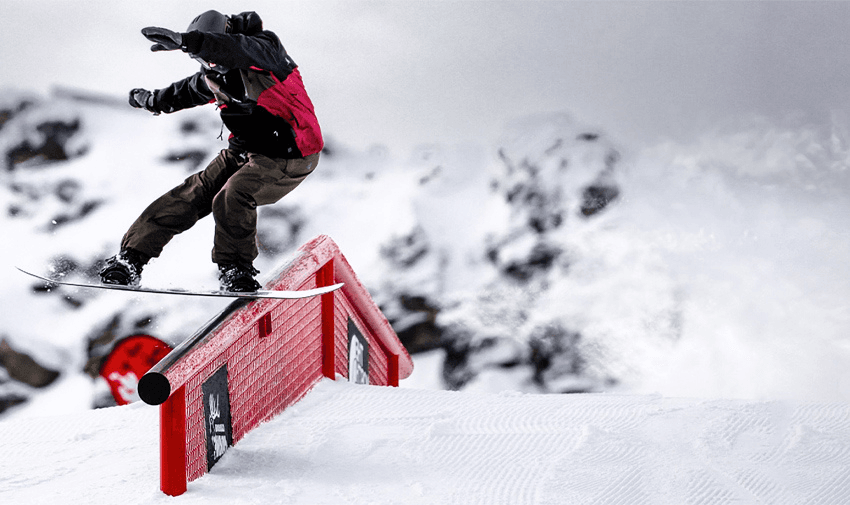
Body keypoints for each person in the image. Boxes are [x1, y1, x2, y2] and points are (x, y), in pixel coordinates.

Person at [100, 10, 322, 292]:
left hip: (289, 156)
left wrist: (186, 41)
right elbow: (185, 91)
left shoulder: (266, 52)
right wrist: (151, 100)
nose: (210, 65)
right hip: (245, 151)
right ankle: (130, 259)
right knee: (190, 194)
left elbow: (236, 48)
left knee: (234, 193)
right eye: (203, 61)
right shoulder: (215, 75)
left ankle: (236, 270)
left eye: (211, 57)